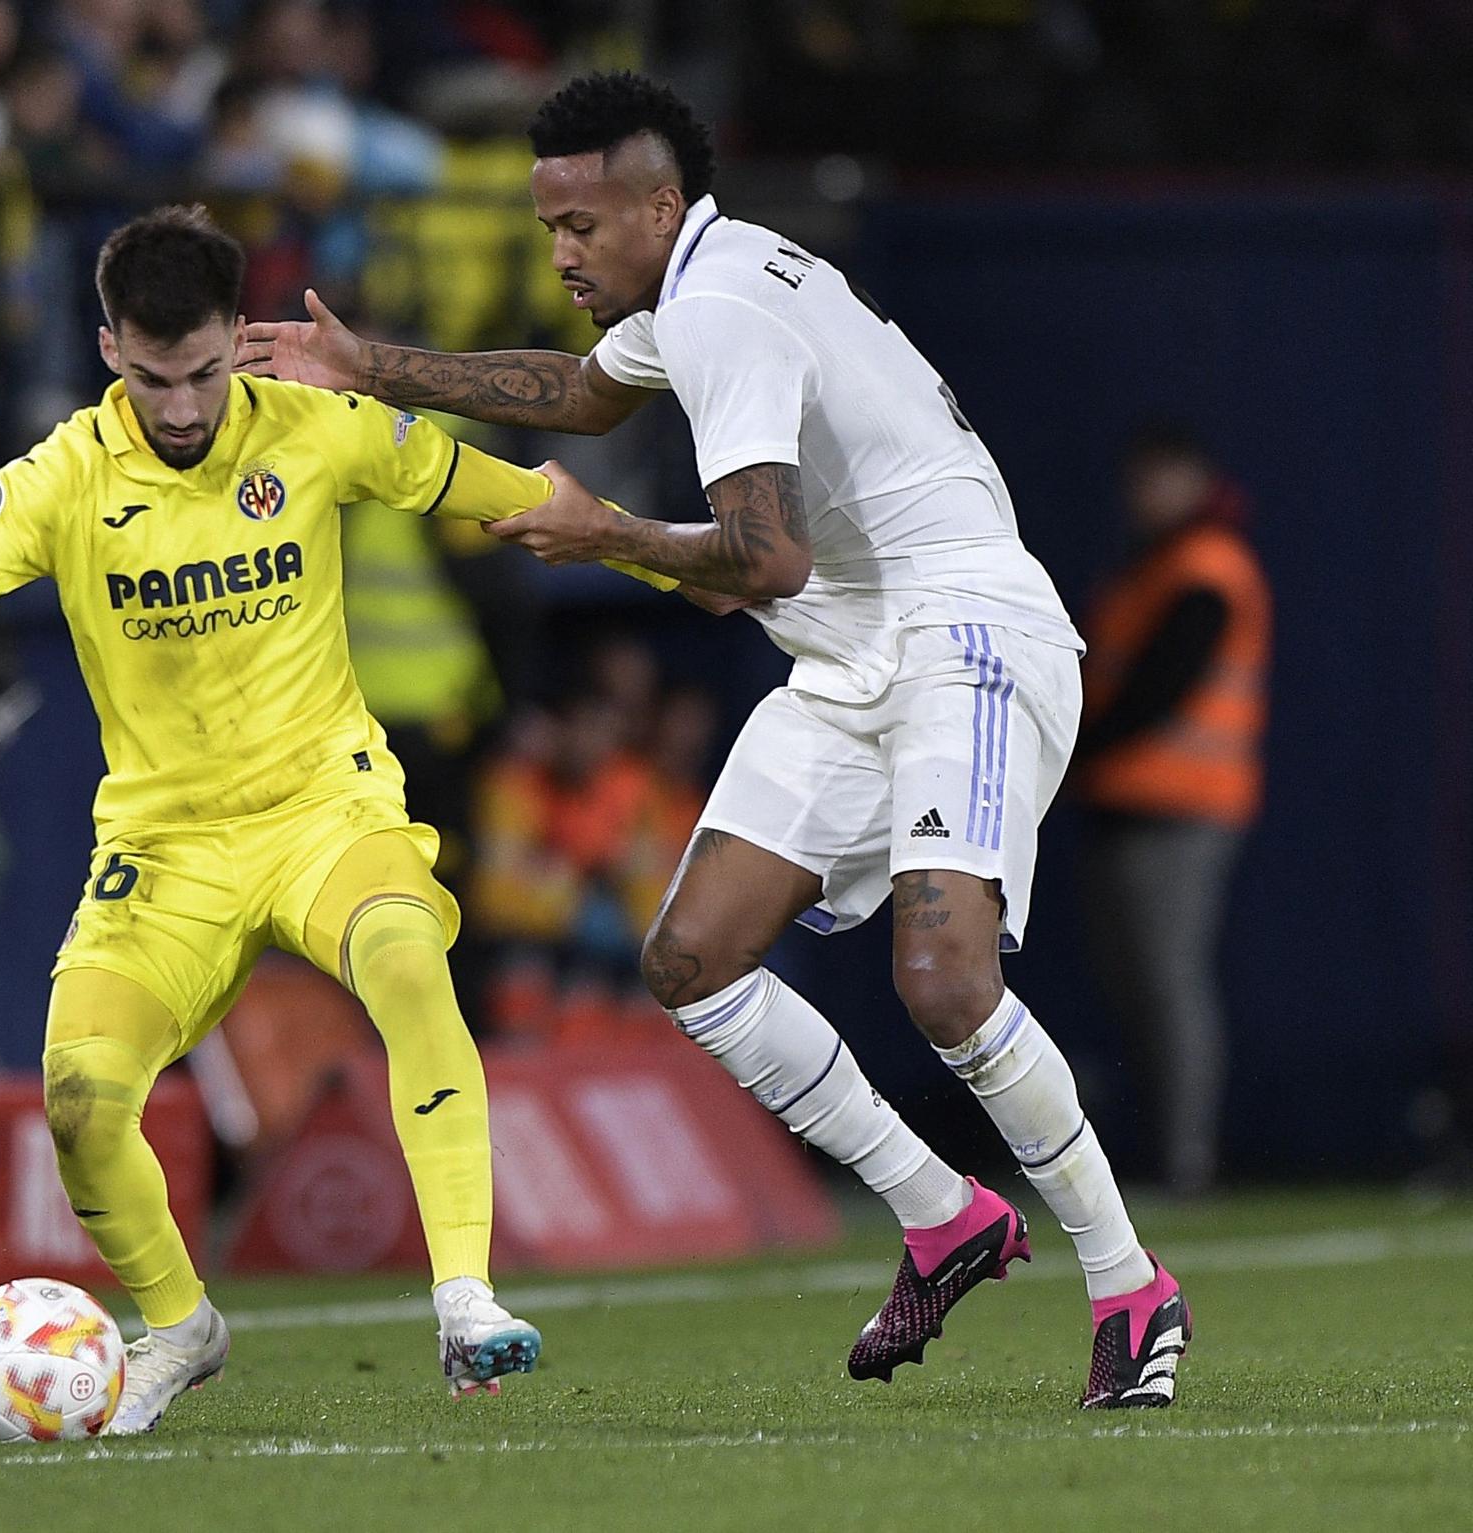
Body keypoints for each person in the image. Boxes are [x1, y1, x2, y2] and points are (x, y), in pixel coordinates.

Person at [242, 71, 1188, 1409]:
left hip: (963, 637)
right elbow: (577, 394)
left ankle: (1129, 1282)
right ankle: (944, 1215)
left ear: (658, 204)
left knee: (945, 983)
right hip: (851, 654)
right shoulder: (703, 283)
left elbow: (763, 555)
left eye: (579, 225)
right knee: (691, 959)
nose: (558, 251)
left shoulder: (724, 307)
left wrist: (607, 535)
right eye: (545, 225)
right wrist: (361, 362)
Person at [0, 205, 671, 1432]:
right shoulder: (59, 477)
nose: (182, 407)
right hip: (164, 850)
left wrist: (669, 562)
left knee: (403, 959)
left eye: (207, 373)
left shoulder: (321, 432)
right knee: (77, 1098)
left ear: (240, 339)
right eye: (156, 377)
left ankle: (465, 1298)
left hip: (325, 807)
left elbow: (510, 495)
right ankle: (179, 1326)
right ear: (110, 346)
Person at [1075, 425, 1271, 1195]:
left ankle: (1187, 1161)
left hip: (1185, 810)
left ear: (1197, 480)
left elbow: (1160, 690)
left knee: (1169, 984)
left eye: (1162, 477)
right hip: (1122, 803)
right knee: (1136, 988)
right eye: (1140, 477)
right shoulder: (1145, 567)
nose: (1145, 493)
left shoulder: (1209, 568)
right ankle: (1159, 1151)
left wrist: (1071, 752)